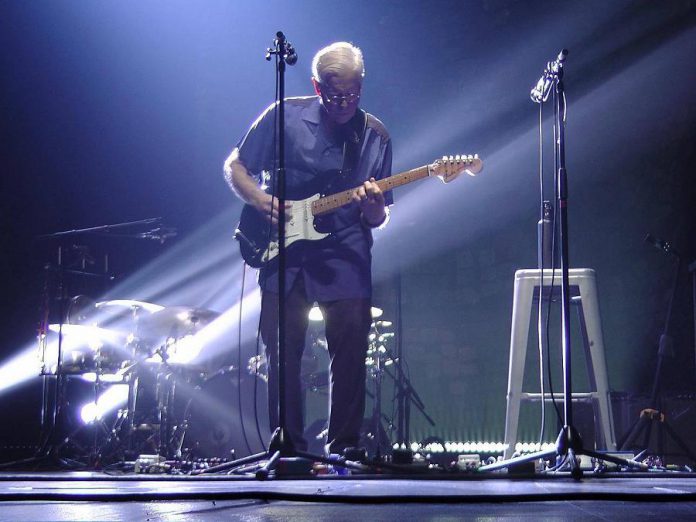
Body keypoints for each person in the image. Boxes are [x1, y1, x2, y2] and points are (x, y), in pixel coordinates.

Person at [224, 41, 393, 457]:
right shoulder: (284, 115)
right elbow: (235, 165)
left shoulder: (375, 135)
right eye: (336, 95)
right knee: (282, 349)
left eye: (353, 94)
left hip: (345, 249)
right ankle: (290, 448)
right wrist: (258, 199)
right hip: (286, 250)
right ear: (318, 87)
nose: (344, 103)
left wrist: (373, 207)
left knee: (351, 348)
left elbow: (378, 217)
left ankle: (345, 446)